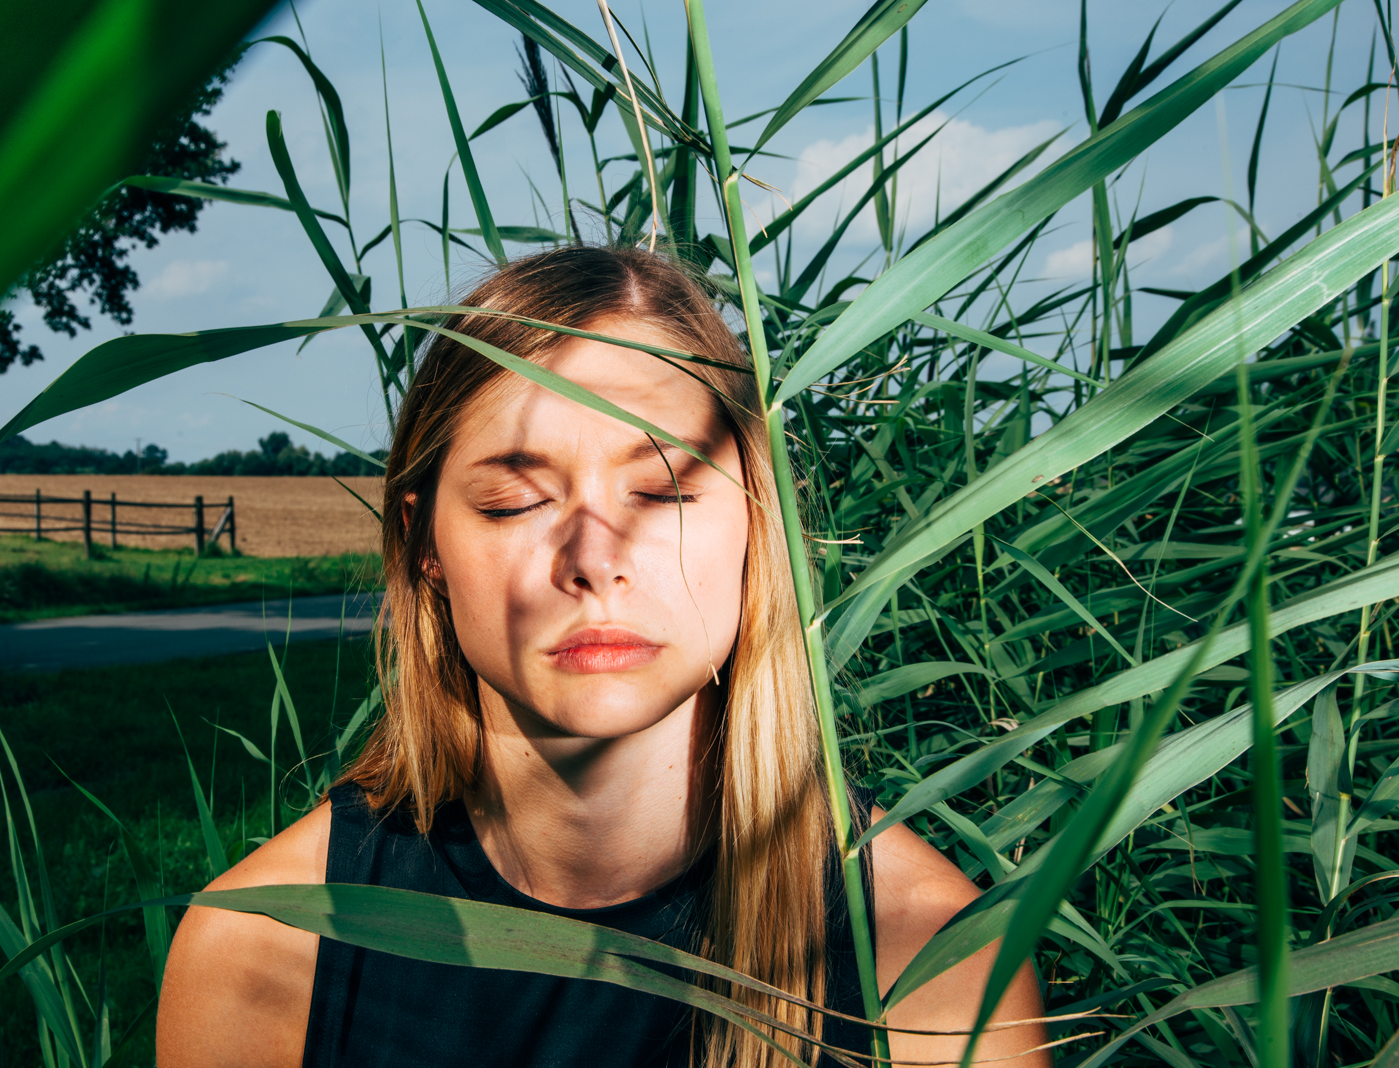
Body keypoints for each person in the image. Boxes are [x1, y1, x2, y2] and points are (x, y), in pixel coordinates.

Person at [156, 245, 1050, 1067]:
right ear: (424, 542)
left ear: (756, 516)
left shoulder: (931, 960)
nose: (593, 559)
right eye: (514, 502)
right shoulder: (265, 950)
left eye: (661, 490)